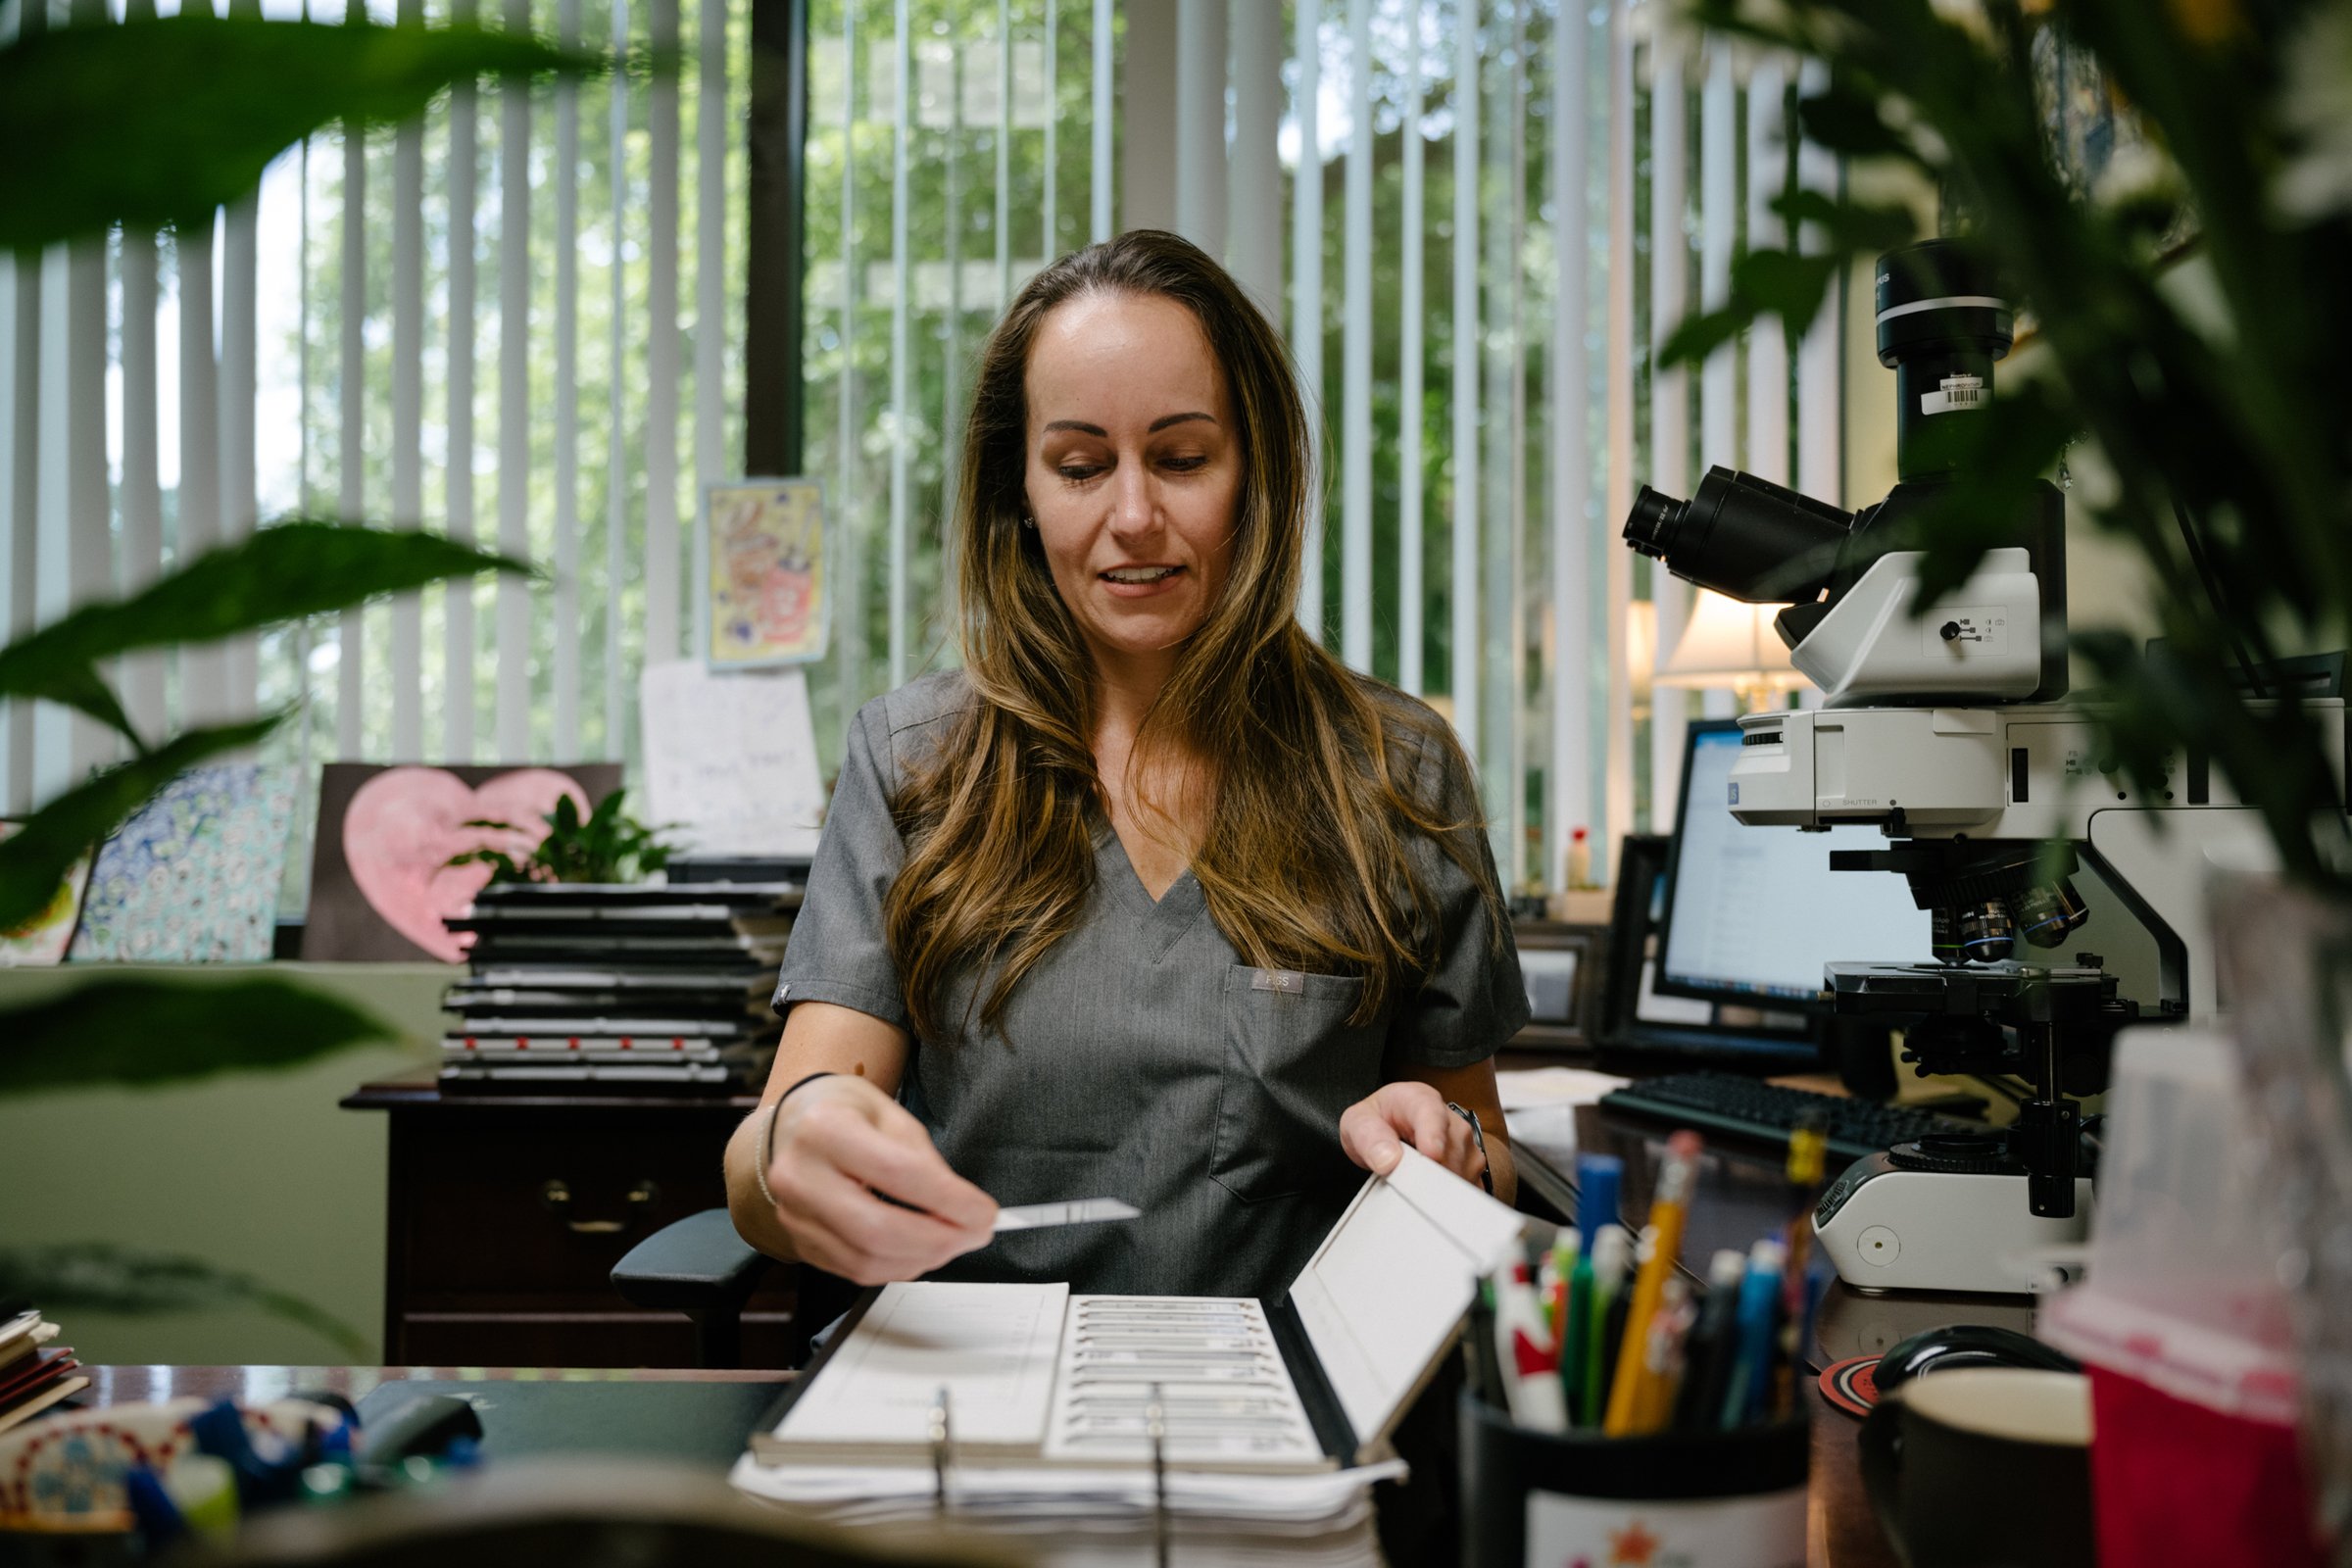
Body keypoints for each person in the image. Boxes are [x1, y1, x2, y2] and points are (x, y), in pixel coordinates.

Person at [723, 229, 1528, 1303]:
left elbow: (1487, 1158)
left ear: (1257, 473)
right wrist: (798, 1142)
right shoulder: (915, 764)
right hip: (971, 1398)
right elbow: (768, 1159)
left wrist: (1447, 1150)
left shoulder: (1395, 771)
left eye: (1184, 458)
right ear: (1023, 491)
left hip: (1288, 1409)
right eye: (1081, 466)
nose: (1134, 514)